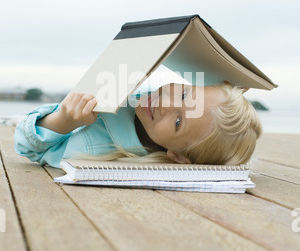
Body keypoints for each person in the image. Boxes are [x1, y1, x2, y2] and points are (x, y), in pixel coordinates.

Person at [14, 78, 262, 169]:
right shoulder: (150, 102)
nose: (166, 104)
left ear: (177, 157)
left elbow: (27, 147)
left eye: (178, 121)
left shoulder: (96, 149)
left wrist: (63, 120)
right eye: (185, 94)